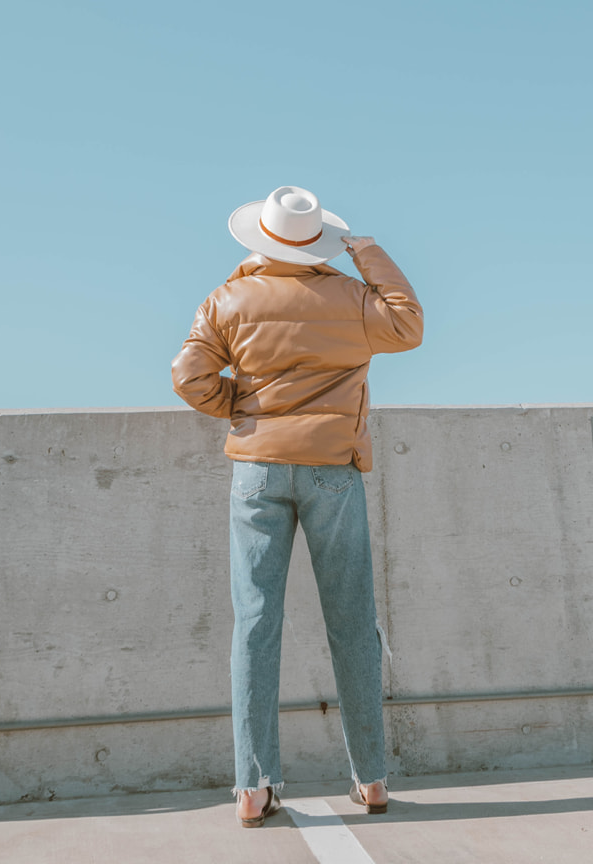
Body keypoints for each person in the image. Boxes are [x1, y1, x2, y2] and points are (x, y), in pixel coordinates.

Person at [172, 185, 424, 828]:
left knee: (255, 624)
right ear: (320, 240)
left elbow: (189, 378)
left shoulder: (226, 299)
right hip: (334, 472)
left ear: (259, 236)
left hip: (256, 469)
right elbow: (409, 324)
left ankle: (252, 789)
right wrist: (367, 252)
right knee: (352, 623)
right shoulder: (354, 298)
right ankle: (370, 780)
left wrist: (248, 411)